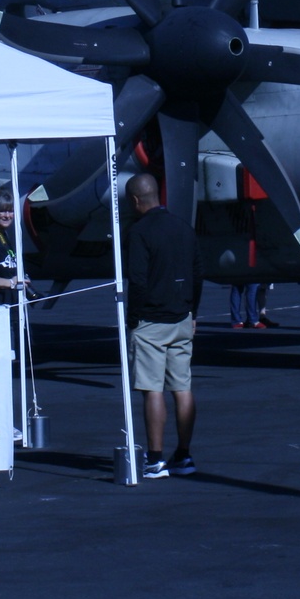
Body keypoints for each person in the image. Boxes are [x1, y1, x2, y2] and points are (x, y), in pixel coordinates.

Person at [123, 172, 201, 480]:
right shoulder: (183, 227)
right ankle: (183, 454)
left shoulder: (140, 232)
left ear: (135, 200)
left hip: (152, 320)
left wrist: (133, 318)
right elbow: (198, 271)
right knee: (182, 387)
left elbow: (137, 281)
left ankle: (155, 459)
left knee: (151, 388)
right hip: (182, 316)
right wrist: (193, 312)